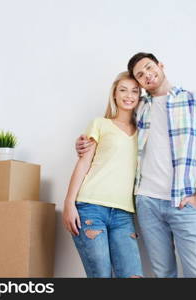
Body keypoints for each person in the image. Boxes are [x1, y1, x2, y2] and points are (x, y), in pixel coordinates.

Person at [76, 53, 196, 277]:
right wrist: (83, 144)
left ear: (160, 65)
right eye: (140, 75)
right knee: (163, 274)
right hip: (147, 203)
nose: (147, 75)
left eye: (149, 68)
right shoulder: (140, 107)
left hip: (185, 202)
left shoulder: (195, 100)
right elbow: (116, 131)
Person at [63, 71, 143, 278]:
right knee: (101, 276)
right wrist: (69, 203)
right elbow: (83, 163)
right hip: (90, 208)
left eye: (135, 91)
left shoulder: (144, 131)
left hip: (124, 214)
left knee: (133, 276)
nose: (129, 95)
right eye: (123, 90)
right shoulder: (100, 124)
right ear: (114, 94)